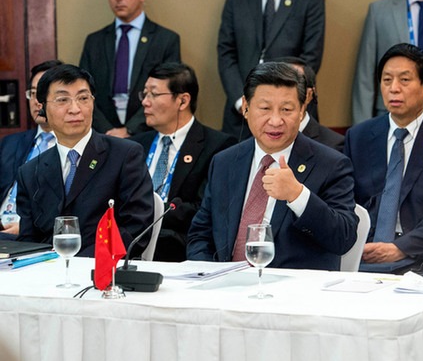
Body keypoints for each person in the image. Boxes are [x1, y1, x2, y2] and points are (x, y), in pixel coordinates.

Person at [186, 62, 357, 271]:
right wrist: (212, 274)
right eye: (265, 108)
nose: (275, 121)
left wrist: (297, 195)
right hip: (226, 284)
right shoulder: (224, 162)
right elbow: (200, 234)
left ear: (302, 110)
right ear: (246, 107)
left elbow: (343, 239)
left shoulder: (331, 164)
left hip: (291, 287)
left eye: (286, 109)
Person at [344, 43, 423, 273]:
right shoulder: (358, 137)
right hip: (363, 254)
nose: (394, 89)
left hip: (421, 259)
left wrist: (400, 248)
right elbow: (345, 201)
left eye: (404, 80)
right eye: (387, 80)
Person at [16, 65, 153, 257]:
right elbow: (28, 240)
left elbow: (136, 228)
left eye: (83, 98)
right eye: (62, 100)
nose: (75, 109)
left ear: (93, 103)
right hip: (47, 270)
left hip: (102, 268)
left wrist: (78, 264)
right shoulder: (30, 172)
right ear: (42, 107)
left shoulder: (125, 155)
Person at [217, 0, 325, 138]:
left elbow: (310, 59)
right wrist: (242, 102)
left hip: (290, 117)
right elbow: (226, 53)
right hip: (240, 118)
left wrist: (281, 105)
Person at [131, 62, 236, 261]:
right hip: (131, 244)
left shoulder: (217, 147)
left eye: (154, 94)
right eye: (144, 94)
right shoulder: (136, 145)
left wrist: (148, 210)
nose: (145, 102)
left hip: (178, 249)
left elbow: (203, 209)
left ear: (183, 101)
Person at [80, 0, 181, 138]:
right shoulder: (94, 41)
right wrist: (107, 131)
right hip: (102, 135)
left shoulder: (165, 40)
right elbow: (82, 92)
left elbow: (169, 92)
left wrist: (130, 130)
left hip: (149, 134)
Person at [0, 60, 61, 240]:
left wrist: (27, 227)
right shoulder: (10, 143)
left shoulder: (74, 148)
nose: (37, 101)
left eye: (43, 93)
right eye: (33, 93)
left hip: (35, 235)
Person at [271, 56, 344, 152]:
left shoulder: (332, 145)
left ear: (309, 95)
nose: (280, 94)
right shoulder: (256, 137)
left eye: (290, 86)